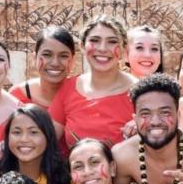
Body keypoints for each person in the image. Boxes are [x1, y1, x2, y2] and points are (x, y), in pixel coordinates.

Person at [48, 16, 137, 150]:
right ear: (82, 46)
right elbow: (45, 138)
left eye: (112, 42)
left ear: (124, 49)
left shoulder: (140, 91)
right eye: (95, 40)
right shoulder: (68, 87)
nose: (102, 48)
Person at [0, 104, 71, 184]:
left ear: (48, 136)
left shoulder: (65, 180)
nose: (24, 139)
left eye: (33, 132)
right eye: (17, 132)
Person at [9, 26, 76, 108]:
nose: (55, 63)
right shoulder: (17, 97)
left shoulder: (83, 95)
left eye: (63, 56)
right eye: (47, 55)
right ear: (34, 57)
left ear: (73, 60)